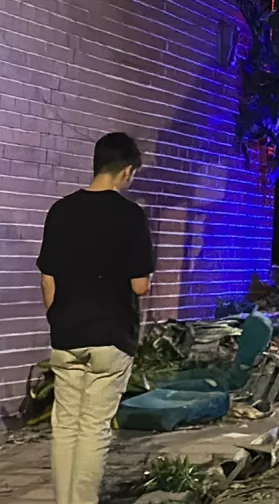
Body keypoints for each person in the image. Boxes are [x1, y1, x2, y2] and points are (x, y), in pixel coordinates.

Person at [38, 133, 155, 504]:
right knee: (93, 428)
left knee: (65, 426)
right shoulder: (130, 215)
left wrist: (58, 318)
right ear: (126, 172)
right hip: (111, 335)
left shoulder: (60, 211)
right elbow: (139, 286)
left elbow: (47, 277)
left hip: (67, 334)